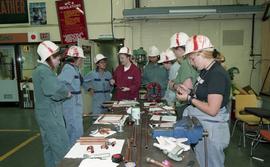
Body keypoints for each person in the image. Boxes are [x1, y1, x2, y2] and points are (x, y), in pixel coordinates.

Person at [176, 35, 231, 167]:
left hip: (212, 129)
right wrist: (189, 92)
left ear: (201, 54)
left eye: (192, 59)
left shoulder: (216, 74)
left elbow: (212, 110)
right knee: (201, 162)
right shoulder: (205, 72)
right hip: (203, 124)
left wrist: (189, 99)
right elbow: (203, 96)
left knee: (210, 163)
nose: (192, 63)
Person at [32, 41, 71, 167]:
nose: (59, 59)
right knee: (61, 149)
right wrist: (66, 93)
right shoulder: (44, 71)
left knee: (49, 148)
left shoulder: (39, 70)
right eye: (56, 57)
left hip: (44, 115)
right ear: (47, 57)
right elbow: (54, 91)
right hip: (52, 115)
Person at [58, 46, 85, 146]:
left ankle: (74, 148)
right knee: (74, 127)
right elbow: (59, 84)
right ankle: (72, 151)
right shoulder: (69, 69)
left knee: (77, 126)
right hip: (71, 102)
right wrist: (66, 93)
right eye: (81, 59)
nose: (82, 61)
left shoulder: (75, 69)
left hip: (75, 101)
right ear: (76, 58)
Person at [168, 32, 198, 120]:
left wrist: (173, 85)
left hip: (185, 106)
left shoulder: (186, 63)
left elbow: (186, 90)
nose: (175, 54)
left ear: (179, 49)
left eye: (174, 51)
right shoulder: (192, 61)